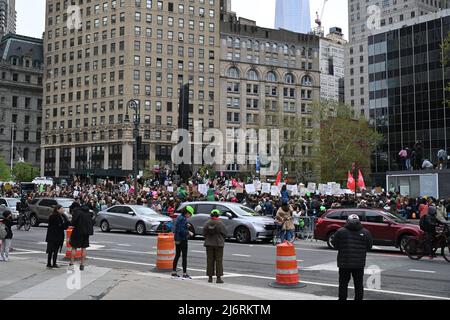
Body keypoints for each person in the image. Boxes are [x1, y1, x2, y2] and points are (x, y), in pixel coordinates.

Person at [331, 214, 373, 301]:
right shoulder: (365, 232)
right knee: (358, 285)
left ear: (347, 221)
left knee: (343, 284)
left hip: (344, 263)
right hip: (359, 264)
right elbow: (369, 246)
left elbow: (335, 245)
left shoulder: (340, 231)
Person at [203, 209, 227, 284]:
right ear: (218, 215)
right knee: (219, 261)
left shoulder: (207, 223)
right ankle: (218, 278)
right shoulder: (220, 223)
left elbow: (204, 233)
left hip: (209, 244)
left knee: (210, 260)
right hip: (218, 244)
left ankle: (210, 277)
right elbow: (225, 233)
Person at [69, 203, 94, 271]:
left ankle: (71, 263)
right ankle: (82, 264)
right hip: (86, 233)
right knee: (84, 248)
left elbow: (73, 222)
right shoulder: (88, 212)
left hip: (77, 232)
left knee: (74, 247)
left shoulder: (77, 212)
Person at [172, 205, 194, 279]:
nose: (190, 216)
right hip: (182, 239)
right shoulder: (184, 219)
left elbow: (178, 227)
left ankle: (174, 272)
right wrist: (189, 232)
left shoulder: (179, 217)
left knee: (177, 255)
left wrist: (186, 225)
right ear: (187, 213)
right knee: (184, 256)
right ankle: (184, 273)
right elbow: (182, 231)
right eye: (190, 214)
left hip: (177, 238)